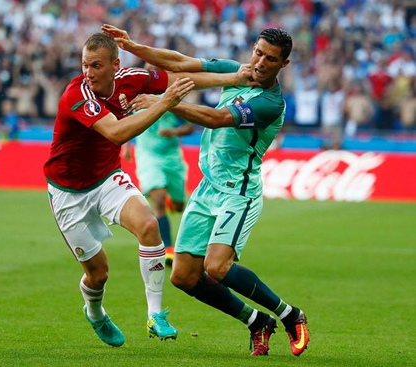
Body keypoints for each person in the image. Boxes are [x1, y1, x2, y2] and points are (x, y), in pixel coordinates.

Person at [103, 24, 310, 357]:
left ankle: (290, 315)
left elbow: (215, 118)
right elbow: (180, 62)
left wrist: (165, 102)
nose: (259, 63)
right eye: (258, 53)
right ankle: (256, 322)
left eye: (270, 59)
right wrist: (133, 46)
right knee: (183, 276)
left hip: (238, 191)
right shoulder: (235, 71)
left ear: (282, 65)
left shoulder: (271, 103)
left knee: (217, 266)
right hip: (207, 187)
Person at [43, 33, 255, 348]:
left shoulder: (133, 78)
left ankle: (155, 315)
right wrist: (165, 103)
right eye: (85, 65)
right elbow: (115, 133)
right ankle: (95, 311)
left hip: (106, 179)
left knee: (148, 224)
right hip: (68, 191)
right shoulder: (77, 94)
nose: (88, 72)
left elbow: (182, 78)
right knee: (98, 274)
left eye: (96, 65)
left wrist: (233, 77)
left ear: (115, 66)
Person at [124, 102, 194, 266]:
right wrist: (126, 146)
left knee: (178, 206)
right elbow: (126, 123)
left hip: (172, 157)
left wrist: (174, 131)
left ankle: (172, 201)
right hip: (148, 155)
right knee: (158, 201)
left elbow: (189, 127)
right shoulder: (137, 99)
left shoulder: (171, 96)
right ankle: (168, 248)